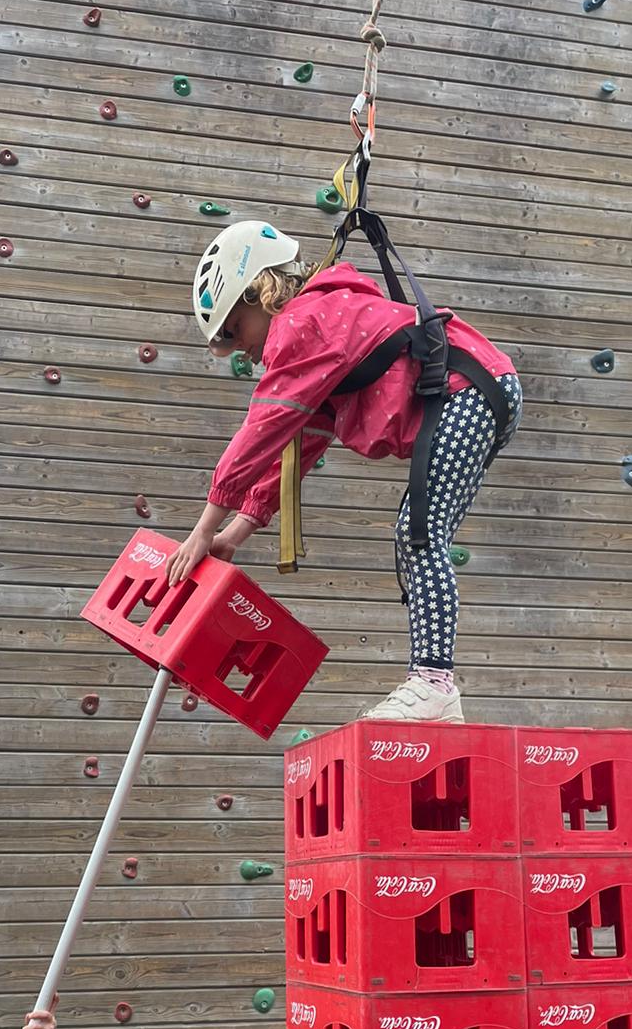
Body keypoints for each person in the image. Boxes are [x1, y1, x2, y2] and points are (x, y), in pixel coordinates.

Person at [167, 220, 522, 724]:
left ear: (260, 292)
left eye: (232, 329)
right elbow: (302, 442)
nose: (237, 349)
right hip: (480, 391)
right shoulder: (320, 334)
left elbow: (260, 432)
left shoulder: (303, 324)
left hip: (468, 392)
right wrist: (235, 533)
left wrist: (202, 531)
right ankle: (435, 690)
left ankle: (433, 684)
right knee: (417, 536)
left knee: (420, 535)